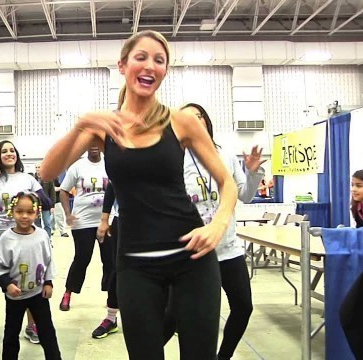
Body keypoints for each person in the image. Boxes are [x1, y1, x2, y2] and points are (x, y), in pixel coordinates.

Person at [39, 30, 237, 359]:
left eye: (159, 60)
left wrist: (217, 225)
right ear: (122, 65)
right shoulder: (104, 125)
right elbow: (47, 172)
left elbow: (227, 182)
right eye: (141, 57)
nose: (150, 66)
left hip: (192, 258)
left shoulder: (182, 121)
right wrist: (80, 125)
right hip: (135, 264)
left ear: (165, 71)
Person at [163, 103, 266, 360]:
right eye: (188, 118)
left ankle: (224, 357)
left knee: (243, 307)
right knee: (174, 317)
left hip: (227, 248)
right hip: (191, 251)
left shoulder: (225, 155)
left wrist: (252, 173)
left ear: (207, 122)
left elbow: (245, 195)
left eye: (200, 116)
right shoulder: (172, 159)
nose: (195, 121)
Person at [0, 140, 51, 344]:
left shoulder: (27, 179)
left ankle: (31, 326)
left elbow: (46, 203)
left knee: (27, 283)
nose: (9, 154)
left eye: (12, 150)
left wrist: (30, 195)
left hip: (24, 241)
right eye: (4, 151)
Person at [0, 191, 61, 360]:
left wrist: (49, 282)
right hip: (15, 297)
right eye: (20, 211)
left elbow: (48, 260)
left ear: (37, 213)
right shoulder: (7, 238)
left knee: (47, 332)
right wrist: (7, 284)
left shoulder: (42, 235)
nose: (24, 216)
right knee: (11, 334)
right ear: (12, 212)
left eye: (30, 212)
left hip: (38, 294)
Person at [58, 145, 111, 312]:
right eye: (91, 142)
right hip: (83, 222)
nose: (94, 145)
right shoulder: (77, 166)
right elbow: (64, 191)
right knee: (82, 258)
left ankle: (113, 296)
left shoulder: (110, 163)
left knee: (110, 260)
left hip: (107, 220)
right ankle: (68, 292)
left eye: (97, 142)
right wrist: (68, 214)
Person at [92, 181, 120, 339]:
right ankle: (111, 318)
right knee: (116, 270)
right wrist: (104, 220)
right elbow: (112, 186)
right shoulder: (125, 157)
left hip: (155, 221)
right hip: (123, 221)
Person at [34, 161, 56, 236]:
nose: (37, 169)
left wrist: (53, 205)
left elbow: (52, 193)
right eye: (36, 167)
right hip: (36, 205)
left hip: (46, 205)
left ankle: (48, 239)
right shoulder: (33, 179)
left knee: (47, 223)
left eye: (39, 167)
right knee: (37, 224)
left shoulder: (48, 178)